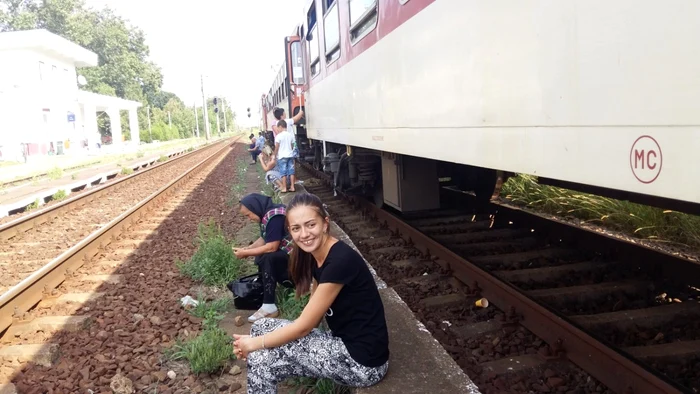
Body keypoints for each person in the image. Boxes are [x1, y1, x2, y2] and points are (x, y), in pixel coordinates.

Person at [233, 193, 390, 394]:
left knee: (260, 357)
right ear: (289, 230)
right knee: (261, 326)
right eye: (296, 228)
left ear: (325, 223)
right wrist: (258, 342)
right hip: (341, 343)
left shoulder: (340, 261)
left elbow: (304, 327)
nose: (305, 234)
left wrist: (254, 345)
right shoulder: (315, 256)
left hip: (362, 363)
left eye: (311, 225)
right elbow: (310, 319)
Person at [234, 193, 294, 322]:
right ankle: (264, 293)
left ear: (255, 208)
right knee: (261, 254)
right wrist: (248, 249)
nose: (249, 219)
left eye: (248, 215)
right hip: (288, 254)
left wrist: (247, 253)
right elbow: (265, 238)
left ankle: (269, 306)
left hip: (297, 259)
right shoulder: (268, 214)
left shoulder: (275, 217)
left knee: (268, 257)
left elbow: (272, 246)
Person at [273, 120, 296, 193]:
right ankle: (292, 187)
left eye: (277, 128)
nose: (277, 130)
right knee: (291, 171)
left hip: (282, 156)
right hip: (290, 155)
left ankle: (284, 187)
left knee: (283, 173)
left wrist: (274, 155)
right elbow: (292, 146)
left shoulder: (278, 136)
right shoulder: (290, 135)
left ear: (280, 126)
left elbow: (276, 147)